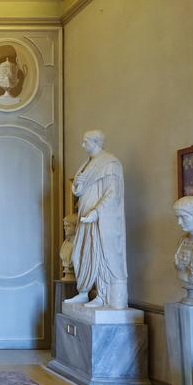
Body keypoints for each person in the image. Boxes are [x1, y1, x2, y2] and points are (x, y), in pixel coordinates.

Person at [65, 130, 129, 309]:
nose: (82, 145)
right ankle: (83, 292)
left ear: (96, 142)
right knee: (81, 253)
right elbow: (79, 190)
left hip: (99, 218)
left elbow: (113, 192)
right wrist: (78, 184)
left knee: (98, 254)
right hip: (85, 216)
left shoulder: (110, 163)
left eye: (85, 142)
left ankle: (103, 295)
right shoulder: (86, 164)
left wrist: (97, 211)